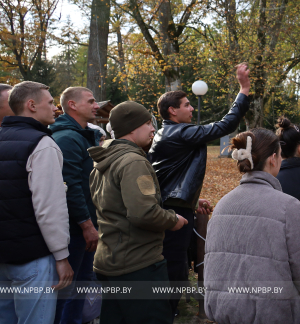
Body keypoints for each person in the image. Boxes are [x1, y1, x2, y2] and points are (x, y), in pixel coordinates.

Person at [148, 64, 251, 316]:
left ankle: (166, 309)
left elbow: (169, 178)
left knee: (175, 260)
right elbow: (224, 126)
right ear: (172, 111)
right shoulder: (180, 132)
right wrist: (244, 90)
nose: (192, 108)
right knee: (175, 263)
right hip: (173, 211)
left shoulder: (167, 131)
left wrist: (190, 200)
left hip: (174, 205)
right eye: (186, 105)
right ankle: (166, 312)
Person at [88, 101, 188, 324]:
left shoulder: (104, 161)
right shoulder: (133, 161)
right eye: (147, 123)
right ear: (132, 128)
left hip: (110, 260)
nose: (153, 128)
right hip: (138, 265)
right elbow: (144, 213)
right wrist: (173, 220)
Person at [204, 128, 300, 324]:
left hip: (225, 314)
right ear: (273, 158)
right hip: (273, 315)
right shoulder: (288, 208)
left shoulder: (223, 204)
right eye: (280, 155)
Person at [0, 81, 73, 324]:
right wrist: (62, 257)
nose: (55, 108)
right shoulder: (42, 144)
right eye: (51, 102)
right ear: (31, 105)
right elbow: (49, 208)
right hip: (32, 256)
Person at [50, 87, 101, 324]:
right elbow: (69, 186)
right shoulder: (68, 138)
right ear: (72, 104)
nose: (96, 105)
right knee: (70, 292)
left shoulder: (79, 135)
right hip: (74, 231)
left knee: (78, 288)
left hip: (82, 229)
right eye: (90, 101)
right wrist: (86, 224)